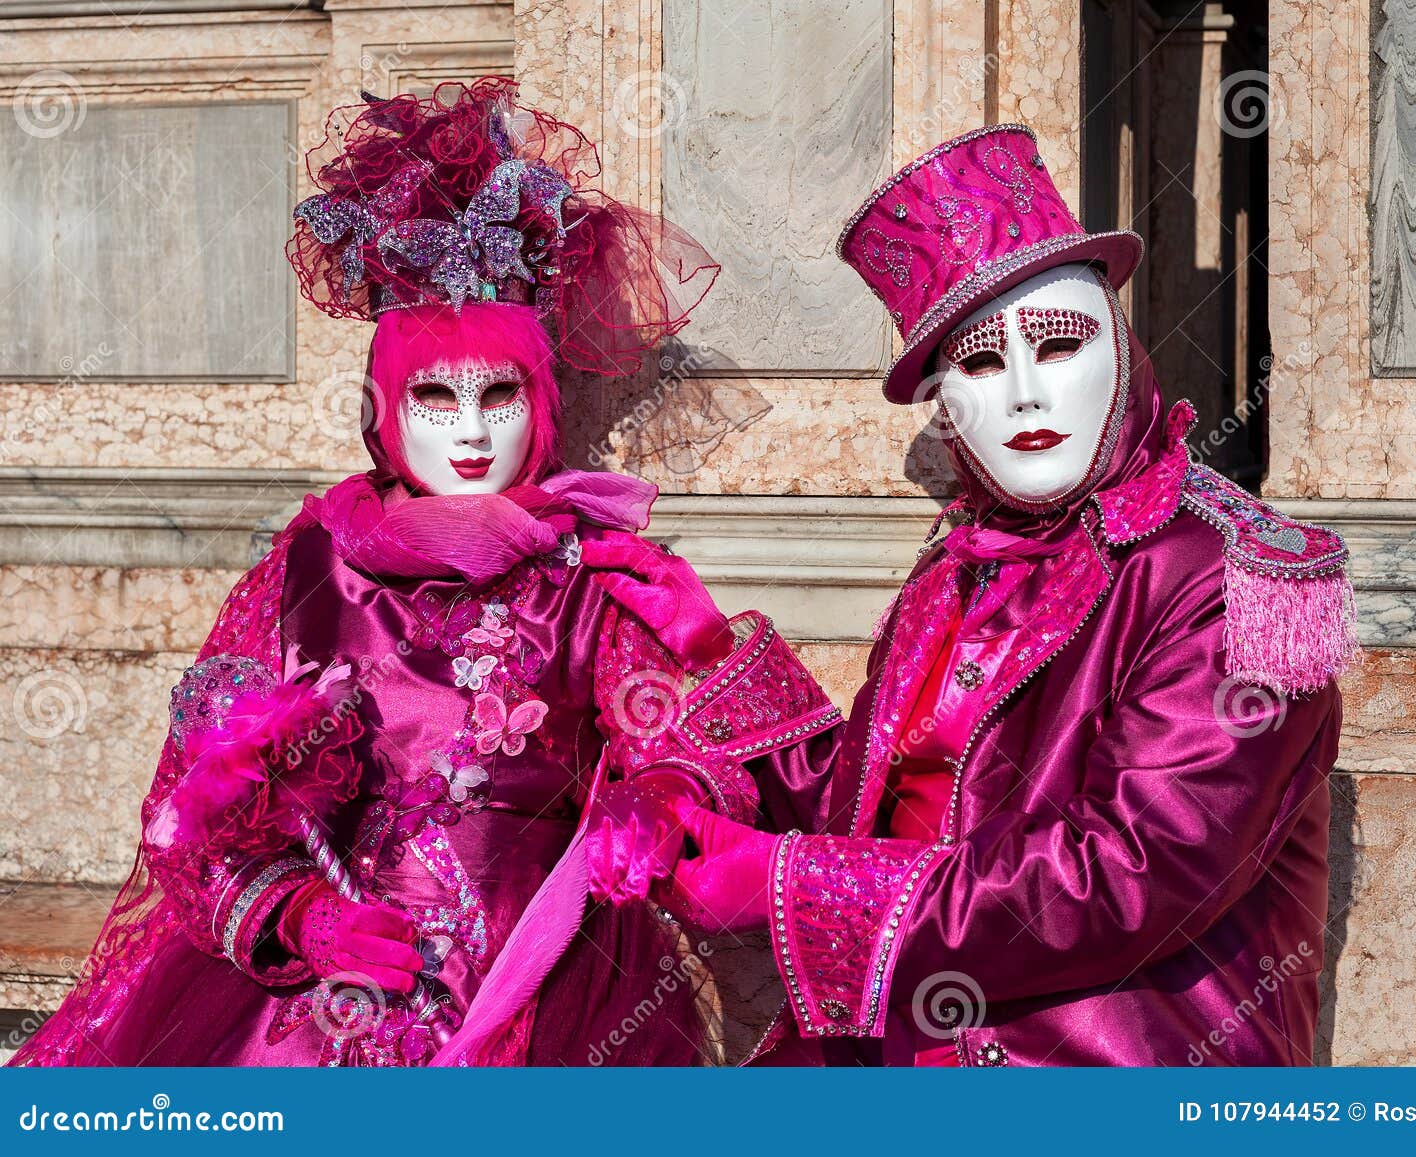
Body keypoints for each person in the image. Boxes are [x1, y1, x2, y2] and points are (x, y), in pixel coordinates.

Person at [10, 77, 839, 1068]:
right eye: (437, 397)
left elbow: (696, 749)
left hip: (546, 987)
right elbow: (194, 808)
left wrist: (655, 800)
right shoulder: (311, 567)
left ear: (541, 402)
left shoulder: (592, 568)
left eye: (500, 395)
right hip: (327, 1005)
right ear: (384, 410)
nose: (474, 430)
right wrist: (298, 914)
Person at [641, 125, 1358, 1066]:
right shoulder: (959, 568)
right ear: (947, 402)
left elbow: (1132, 872)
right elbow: (873, 798)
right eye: (980, 363)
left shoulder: (1232, 573)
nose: (1024, 394)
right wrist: (696, 755)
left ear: (1121, 346)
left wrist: (789, 885)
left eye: (1057, 345)